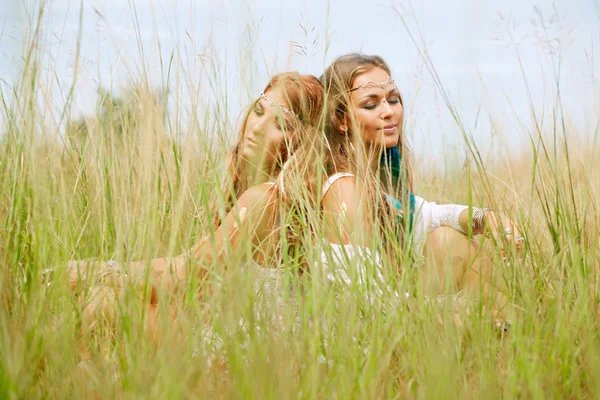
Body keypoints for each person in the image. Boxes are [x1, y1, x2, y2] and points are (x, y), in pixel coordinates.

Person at [62, 72, 327, 331]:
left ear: (299, 142)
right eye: (259, 112)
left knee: (100, 302)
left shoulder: (264, 199)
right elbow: (187, 262)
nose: (257, 128)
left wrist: (99, 275)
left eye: (280, 124)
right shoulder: (259, 190)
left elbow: (186, 279)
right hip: (222, 326)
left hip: (243, 352)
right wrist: (105, 267)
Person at [318, 53, 524, 315]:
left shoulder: (380, 180)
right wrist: (461, 310)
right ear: (341, 120)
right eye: (371, 105)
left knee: (447, 238)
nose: (389, 112)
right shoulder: (345, 189)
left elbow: (430, 216)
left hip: (394, 314)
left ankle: (507, 329)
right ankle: (506, 329)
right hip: (362, 333)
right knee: (477, 300)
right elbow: (366, 302)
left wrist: (487, 219)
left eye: (393, 100)